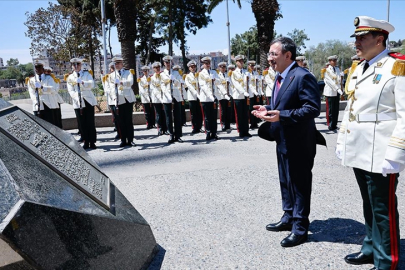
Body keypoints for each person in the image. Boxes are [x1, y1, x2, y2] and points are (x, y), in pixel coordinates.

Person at [336, 16, 402, 270]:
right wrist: (342, 140)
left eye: (362, 38)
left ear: (380, 39)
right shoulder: (359, 68)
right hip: (360, 146)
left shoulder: (396, 67)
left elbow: (404, 114)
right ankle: (371, 246)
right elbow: (351, 109)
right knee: (368, 202)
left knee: (383, 207)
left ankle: (388, 260)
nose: (357, 43)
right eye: (356, 38)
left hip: (382, 150)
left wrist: (397, 151)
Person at [252, 37, 321, 247]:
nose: (270, 59)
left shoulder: (302, 76)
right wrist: (268, 110)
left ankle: (300, 228)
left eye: (274, 54)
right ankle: (288, 217)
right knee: (285, 181)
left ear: (287, 55)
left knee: (299, 184)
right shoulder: (280, 76)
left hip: (299, 141)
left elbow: (312, 108)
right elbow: (281, 105)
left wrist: (281, 115)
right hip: (282, 139)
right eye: (270, 54)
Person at [66, 58, 97, 149]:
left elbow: (91, 84)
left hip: (88, 101)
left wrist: (83, 82)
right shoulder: (70, 77)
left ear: (81, 65)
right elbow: (70, 90)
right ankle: (85, 141)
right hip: (78, 102)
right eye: (74, 65)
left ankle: (92, 141)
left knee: (90, 122)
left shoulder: (86, 74)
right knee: (82, 123)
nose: (76, 66)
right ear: (72, 66)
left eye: (78, 64)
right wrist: (77, 98)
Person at [108, 57, 136, 147]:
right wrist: (114, 98)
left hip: (127, 99)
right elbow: (111, 89)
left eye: (119, 63)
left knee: (128, 120)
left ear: (122, 64)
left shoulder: (128, 72)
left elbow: (130, 82)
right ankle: (123, 139)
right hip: (118, 100)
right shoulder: (111, 75)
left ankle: (130, 140)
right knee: (121, 122)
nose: (117, 65)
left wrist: (121, 82)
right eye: (115, 64)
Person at [28, 60, 59, 125]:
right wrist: (35, 101)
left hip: (49, 104)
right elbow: (31, 92)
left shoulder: (49, 78)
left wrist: (42, 87)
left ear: (43, 68)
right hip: (38, 105)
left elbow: (53, 89)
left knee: (51, 125)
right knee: (40, 126)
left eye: (39, 67)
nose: (37, 69)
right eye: (36, 67)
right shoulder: (31, 80)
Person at [161, 56, 183, 143]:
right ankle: (171, 134)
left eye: (169, 62)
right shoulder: (162, 74)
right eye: (166, 63)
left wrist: (174, 80)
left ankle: (178, 135)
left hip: (176, 97)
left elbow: (180, 83)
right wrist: (168, 95)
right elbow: (162, 87)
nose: (168, 64)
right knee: (168, 117)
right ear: (164, 63)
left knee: (177, 117)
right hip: (167, 97)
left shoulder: (176, 73)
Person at [198, 56, 220, 141]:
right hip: (206, 98)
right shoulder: (201, 74)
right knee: (207, 117)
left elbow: (218, 82)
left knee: (214, 116)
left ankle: (214, 133)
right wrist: (210, 96)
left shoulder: (213, 72)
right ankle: (207, 132)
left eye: (208, 63)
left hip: (213, 98)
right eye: (206, 63)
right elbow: (203, 86)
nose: (207, 65)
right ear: (203, 64)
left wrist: (215, 80)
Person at [230, 55, 251, 138]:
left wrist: (251, 92)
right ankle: (241, 131)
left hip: (245, 96)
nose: (241, 63)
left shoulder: (246, 72)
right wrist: (244, 92)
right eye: (239, 61)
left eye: (242, 61)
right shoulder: (234, 73)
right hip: (238, 96)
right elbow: (236, 84)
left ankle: (246, 130)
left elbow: (249, 83)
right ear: (236, 62)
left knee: (245, 114)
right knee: (239, 114)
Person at [323, 55, 343, 131]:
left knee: (336, 109)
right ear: (330, 61)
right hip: (330, 92)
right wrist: (338, 89)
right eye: (333, 60)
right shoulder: (327, 70)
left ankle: (334, 124)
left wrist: (341, 88)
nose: (335, 62)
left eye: (335, 60)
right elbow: (330, 82)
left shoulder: (337, 69)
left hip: (337, 92)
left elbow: (339, 80)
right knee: (330, 109)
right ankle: (330, 124)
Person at [185, 60, 203, 133]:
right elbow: (189, 86)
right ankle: (194, 127)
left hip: (199, 97)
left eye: (194, 67)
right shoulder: (187, 76)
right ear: (189, 68)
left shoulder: (199, 75)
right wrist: (196, 93)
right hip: (192, 97)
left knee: (199, 112)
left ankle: (199, 126)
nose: (193, 68)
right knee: (193, 113)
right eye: (191, 67)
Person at [150, 62, 168, 136]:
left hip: (164, 97)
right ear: (153, 69)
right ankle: (160, 128)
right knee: (158, 114)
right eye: (155, 68)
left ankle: (166, 129)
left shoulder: (163, 76)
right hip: (157, 98)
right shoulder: (151, 78)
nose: (157, 69)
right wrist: (160, 98)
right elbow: (153, 89)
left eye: (158, 67)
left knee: (165, 113)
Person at [103, 62, 120, 140]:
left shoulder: (118, 75)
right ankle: (118, 131)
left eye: (114, 68)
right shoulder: (108, 77)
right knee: (115, 117)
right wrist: (113, 95)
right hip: (112, 100)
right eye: (112, 68)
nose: (113, 70)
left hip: (120, 100)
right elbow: (106, 88)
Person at [138, 65, 156, 129]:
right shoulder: (140, 79)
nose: (146, 72)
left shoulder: (151, 78)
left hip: (151, 97)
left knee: (152, 111)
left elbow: (154, 87)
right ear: (143, 72)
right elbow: (141, 89)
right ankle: (148, 123)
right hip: (145, 98)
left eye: (147, 71)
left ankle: (153, 123)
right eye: (144, 71)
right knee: (146, 112)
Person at [216, 62, 231, 131]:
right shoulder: (217, 76)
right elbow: (218, 86)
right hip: (221, 95)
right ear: (219, 68)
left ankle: (228, 124)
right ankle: (223, 124)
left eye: (224, 67)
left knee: (228, 110)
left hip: (228, 95)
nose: (223, 69)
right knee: (223, 111)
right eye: (222, 67)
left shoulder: (227, 75)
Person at [247, 60, 260, 129]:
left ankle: (255, 122)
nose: (252, 67)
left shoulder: (255, 73)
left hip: (256, 93)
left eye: (253, 66)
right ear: (248, 66)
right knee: (251, 109)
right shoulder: (247, 73)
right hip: (251, 93)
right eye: (251, 65)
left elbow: (257, 83)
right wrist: (254, 91)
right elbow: (249, 85)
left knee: (256, 108)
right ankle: (251, 123)